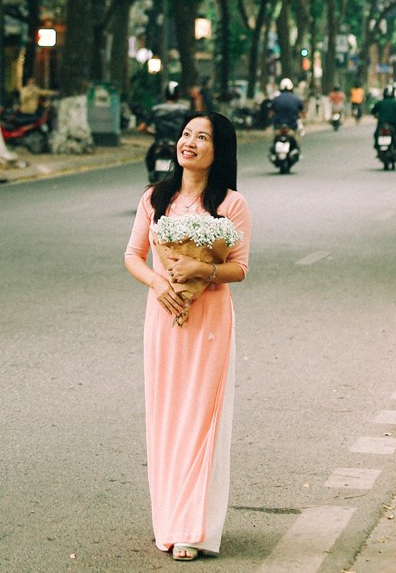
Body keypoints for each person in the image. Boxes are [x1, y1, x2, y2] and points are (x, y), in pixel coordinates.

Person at [124, 111, 251, 560]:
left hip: (210, 324)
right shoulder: (155, 197)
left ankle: (192, 530)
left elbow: (240, 268)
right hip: (163, 319)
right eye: (185, 135)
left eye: (202, 137)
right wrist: (160, 283)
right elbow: (133, 255)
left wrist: (203, 269)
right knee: (166, 419)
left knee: (201, 420)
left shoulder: (230, 205)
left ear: (219, 151)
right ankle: (169, 520)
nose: (189, 143)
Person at [271, 77, 304, 158]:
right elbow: (302, 111)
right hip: (291, 125)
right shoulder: (296, 99)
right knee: (297, 138)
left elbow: (271, 112)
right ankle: (296, 150)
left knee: (274, 138)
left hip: (278, 125)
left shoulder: (276, 99)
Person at [372, 85, 396, 151]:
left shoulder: (379, 103)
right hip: (393, 124)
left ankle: (377, 145)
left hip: (381, 123)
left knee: (376, 133)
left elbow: (373, 112)